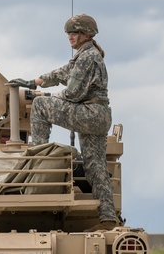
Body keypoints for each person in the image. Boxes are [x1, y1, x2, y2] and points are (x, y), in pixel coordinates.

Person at [8, 14, 119, 232]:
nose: (70, 37)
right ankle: (107, 218)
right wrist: (34, 81)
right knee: (94, 165)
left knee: (40, 106)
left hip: (89, 112)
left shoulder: (88, 57)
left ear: (86, 34)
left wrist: (43, 96)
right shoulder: (86, 55)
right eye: (69, 33)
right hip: (98, 116)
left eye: (75, 33)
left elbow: (72, 93)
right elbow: (61, 73)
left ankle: (38, 158)